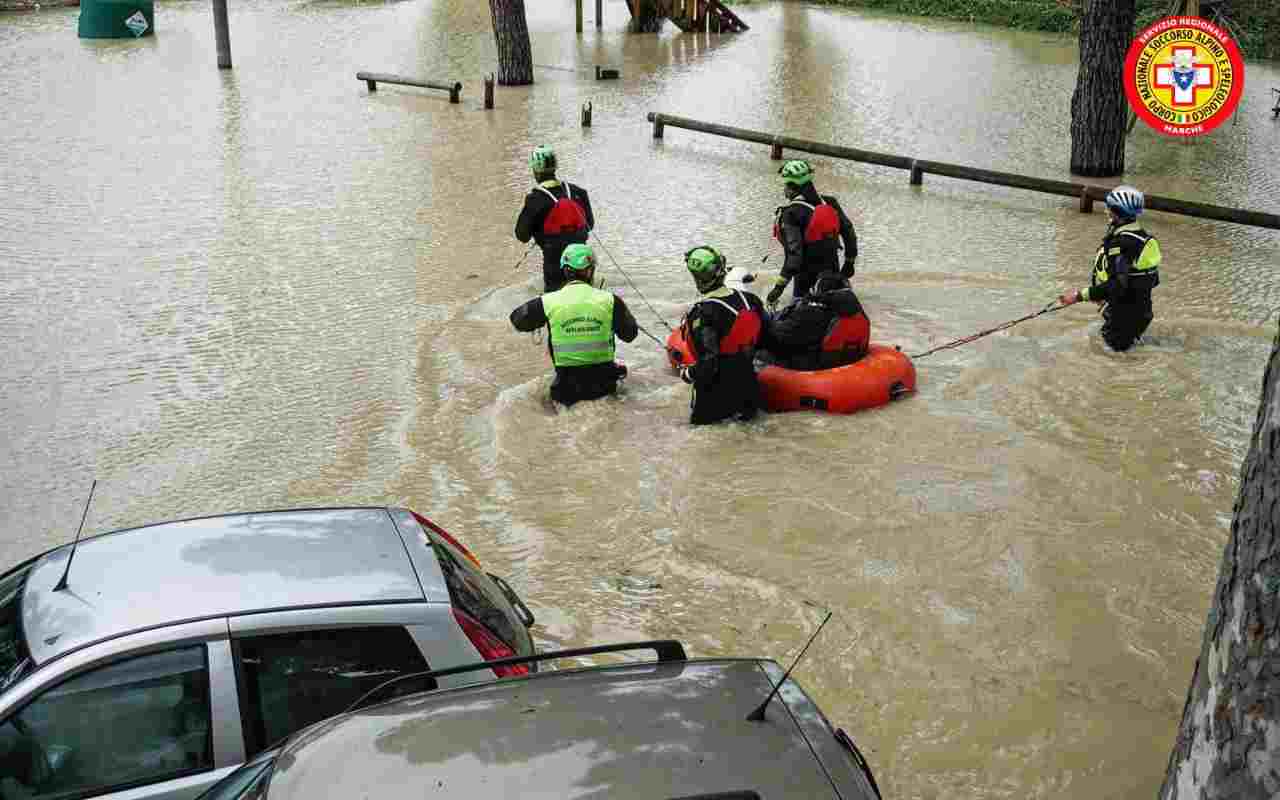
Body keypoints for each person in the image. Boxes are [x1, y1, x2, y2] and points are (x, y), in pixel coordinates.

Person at [510, 244, 637, 407]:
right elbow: (630, 335)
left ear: (565, 271)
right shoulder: (611, 300)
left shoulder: (548, 301)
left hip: (565, 391)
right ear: (591, 271)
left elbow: (517, 320)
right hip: (605, 387)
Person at [1058, 185, 1161, 352]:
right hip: (1140, 313)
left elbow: (1117, 284)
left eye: (1109, 207)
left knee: (1109, 360)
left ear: (1115, 212)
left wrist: (1078, 296)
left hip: (1124, 319)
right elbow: (1148, 280)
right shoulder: (1142, 237)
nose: (1106, 211)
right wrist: (1108, 299)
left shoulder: (1120, 243)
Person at [675, 245, 767, 425]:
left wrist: (688, 373)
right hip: (748, 389)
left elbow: (709, 363)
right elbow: (765, 339)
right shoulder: (751, 301)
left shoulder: (703, 312)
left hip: (714, 398)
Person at [767, 159, 858, 307]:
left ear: (792, 188)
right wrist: (849, 262)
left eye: (785, 186)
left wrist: (778, 288)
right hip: (832, 276)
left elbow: (795, 256)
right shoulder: (830, 203)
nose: (784, 190)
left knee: (799, 321)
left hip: (804, 281)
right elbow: (849, 233)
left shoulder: (790, 213)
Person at [515, 145, 595, 293]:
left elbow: (521, 235)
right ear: (555, 166)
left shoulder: (535, 200)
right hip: (584, 267)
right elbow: (590, 225)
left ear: (535, 171)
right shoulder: (578, 192)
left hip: (554, 269)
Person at [760, 271, 870, 370]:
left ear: (820, 290)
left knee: (758, 351)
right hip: (846, 358)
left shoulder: (812, 313)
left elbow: (779, 339)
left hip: (814, 364)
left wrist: (763, 330)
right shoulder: (855, 309)